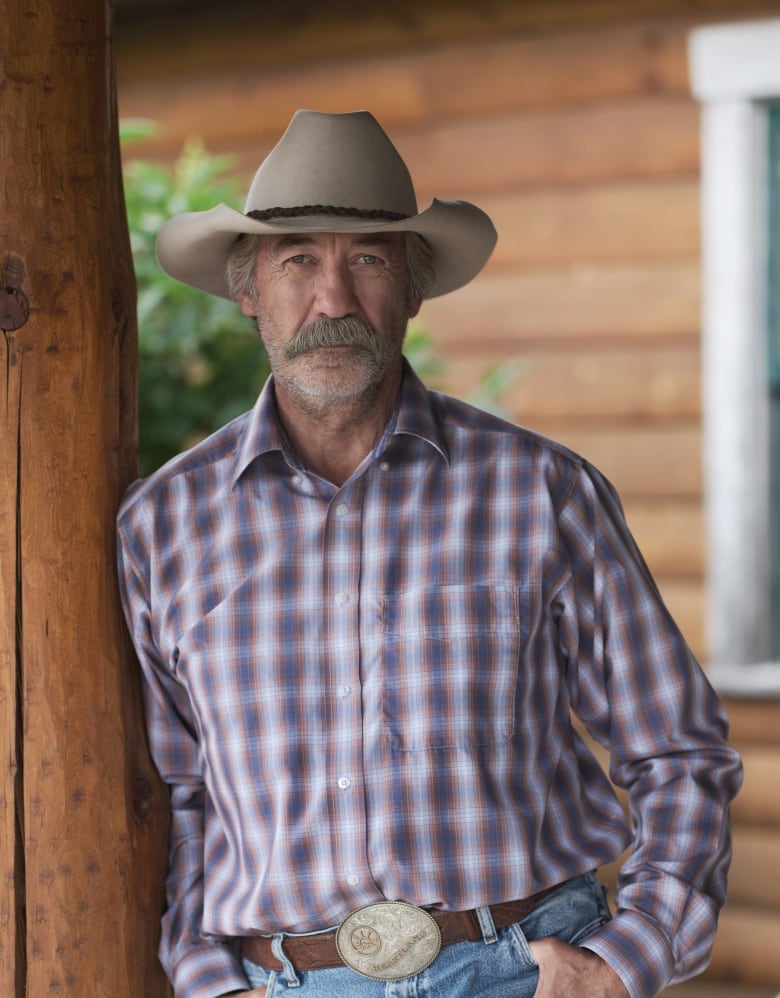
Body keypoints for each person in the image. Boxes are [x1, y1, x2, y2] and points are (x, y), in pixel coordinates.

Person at [117, 109, 743, 998]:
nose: (332, 300)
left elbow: (677, 751)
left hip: (525, 966)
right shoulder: (162, 526)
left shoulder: (542, 492)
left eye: (366, 260)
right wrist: (209, 984)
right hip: (289, 986)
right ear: (247, 289)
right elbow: (173, 798)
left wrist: (626, 961)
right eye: (297, 260)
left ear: (413, 290)